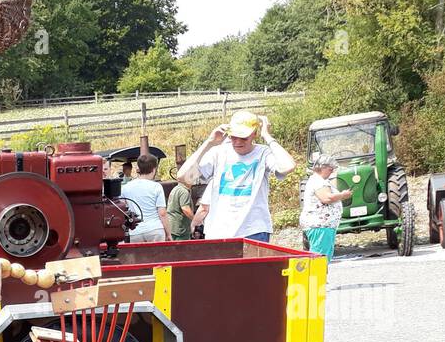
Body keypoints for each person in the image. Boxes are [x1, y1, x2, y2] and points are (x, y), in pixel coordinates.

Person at [178, 109, 294, 241]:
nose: (238, 141)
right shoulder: (218, 152)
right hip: (219, 231)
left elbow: (288, 166)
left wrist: (267, 136)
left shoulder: (263, 153)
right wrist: (209, 142)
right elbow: (184, 177)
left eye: (243, 137)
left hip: (253, 230)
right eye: (233, 136)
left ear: (254, 134)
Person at [298, 151, 353, 261]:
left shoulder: (318, 180)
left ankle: (320, 277)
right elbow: (326, 198)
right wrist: (343, 195)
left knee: (322, 257)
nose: (332, 171)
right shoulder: (318, 181)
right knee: (320, 258)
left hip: (322, 225)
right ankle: (317, 278)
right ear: (322, 168)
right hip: (320, 225)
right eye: (330, 168)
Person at [121, 154, 170, 243]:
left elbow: (122, 209)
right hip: (155, 229)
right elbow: (162, 213)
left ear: (138, 168)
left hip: (135, 231)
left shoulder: (125, 187)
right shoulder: (156, 187)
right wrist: (169, 233)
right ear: (154, 169)